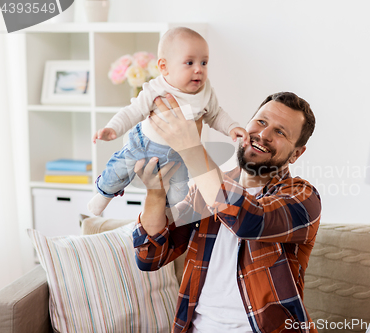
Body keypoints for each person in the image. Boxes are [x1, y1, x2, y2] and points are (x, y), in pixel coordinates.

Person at [133, 92, 321, 333]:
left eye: (280, 132)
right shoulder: (206, 189)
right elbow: (150, 256)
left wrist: (190, 146)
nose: (264, 135)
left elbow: (249, 221)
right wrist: (156, 194)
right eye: (261, 122)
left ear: (296, 153)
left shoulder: (303, 198)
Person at [88, 27, 249, 216]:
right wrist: (113, 128)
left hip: (178, 156)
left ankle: (166, 216)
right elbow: (133, 111)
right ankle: (102, 197)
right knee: (117, 172)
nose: (199, 69)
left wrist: (231, 127)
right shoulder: (156, 89)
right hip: (142, 145)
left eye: (204, 62)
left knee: (179, 194)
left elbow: (215, 115)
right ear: (163, 67)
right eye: (189, 62)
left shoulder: (206, 93)